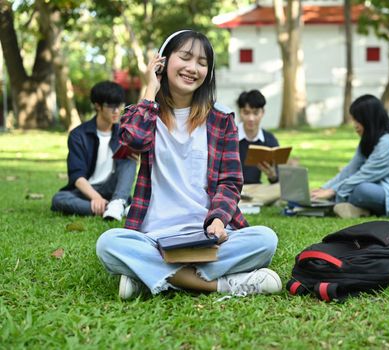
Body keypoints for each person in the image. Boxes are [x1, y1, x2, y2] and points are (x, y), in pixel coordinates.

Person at [96, 30, 281, 300]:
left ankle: (146, 276)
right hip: (156, 238)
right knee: (108, 244)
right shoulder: (145, 114)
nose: (193, 68)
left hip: (209, 235)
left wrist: (218, 219)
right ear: (164, 61)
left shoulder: (222, 118)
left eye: (202, 62)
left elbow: (230, 181)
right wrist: (151, 88)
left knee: (265, 240)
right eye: (185, 57)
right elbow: (133, 140)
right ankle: (222, 285)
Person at [311, 94, 389, 218]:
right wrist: (321, 190)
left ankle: (357, 208)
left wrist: (332, 191)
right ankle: (360, 210)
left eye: (358, 120)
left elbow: (365, 175)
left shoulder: (388, 142)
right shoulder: (368, 140)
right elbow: (350, 170)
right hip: (381, 189)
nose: (355, 125)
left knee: (361, 190)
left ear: (369, 120)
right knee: (352, 186)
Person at [51, 81, 137, 221]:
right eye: (110, 106)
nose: (116, 111)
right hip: (87, 190)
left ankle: (117, 203)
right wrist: (96, 198)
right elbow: (77, 176)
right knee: (59, 199)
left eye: (119, 105)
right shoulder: (79, 135)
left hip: (113, 189)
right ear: (97, 106)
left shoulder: (123, 133)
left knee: (129, 157)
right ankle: (114, 208)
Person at [236, 90, 281, 205]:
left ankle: (244, 202)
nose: (251, 118)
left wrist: (273, 176)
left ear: (263, 112)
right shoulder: (230, 135)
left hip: (257, 188)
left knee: (281, 189)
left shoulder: (269, 139)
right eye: (246, 113)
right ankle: (247, 201)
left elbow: (277, 181)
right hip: (233, 188)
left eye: (255, 113)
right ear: (240, 112)